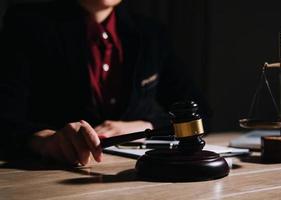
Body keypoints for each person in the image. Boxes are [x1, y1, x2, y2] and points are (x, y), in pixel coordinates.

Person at [0, 0, 209, 165]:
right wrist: (43, 139)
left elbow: (201, 112)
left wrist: (146, 126)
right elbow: (5, 117)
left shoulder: (151, 33)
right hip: (52, 175)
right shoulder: (28, 24)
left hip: (133, 176)